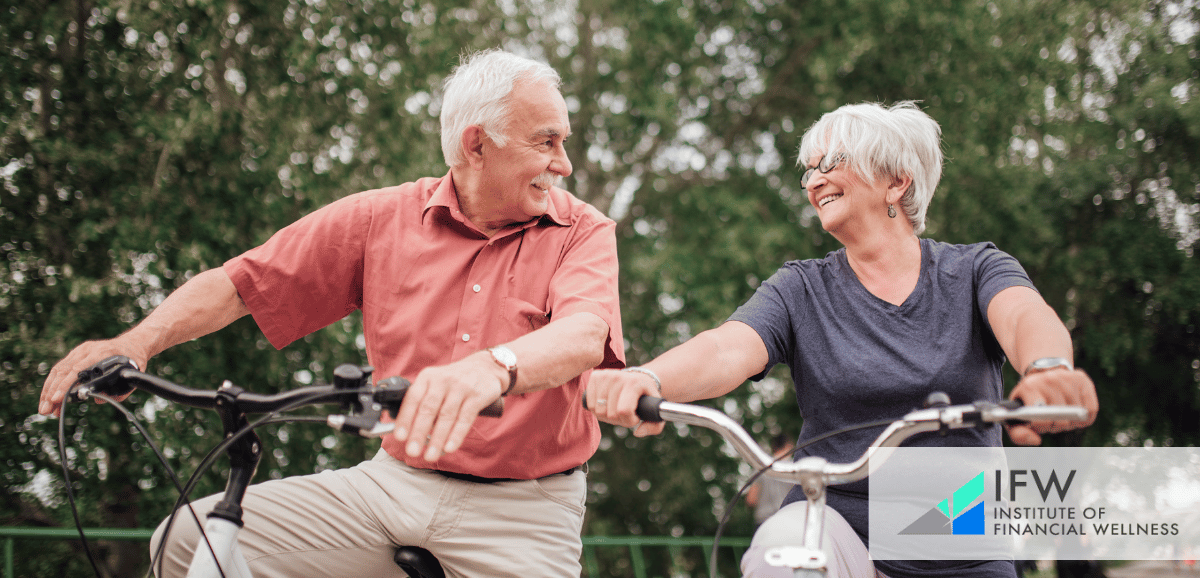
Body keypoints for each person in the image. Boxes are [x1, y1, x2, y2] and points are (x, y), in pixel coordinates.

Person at [38, 49, 626, 578]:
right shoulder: (380, 218)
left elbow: (582, 336)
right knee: (188, 541)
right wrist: (138, 342)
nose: (564, 164)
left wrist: (492, 367)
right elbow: (243, 284)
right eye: (545, 142)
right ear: (476, 145)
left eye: (562, 142)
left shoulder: (583, 231)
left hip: (523, 511)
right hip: (391, 486)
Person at [586, 101, 1099, 578]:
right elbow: (726, 348)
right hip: (840, 527)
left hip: (961, 534)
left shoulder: (974, 270)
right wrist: (649, 378)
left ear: (897, 181)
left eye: (831, 161)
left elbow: (1023, 316)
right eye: (809, 169)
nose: (814, 180)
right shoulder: (801, 288)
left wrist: (1048, 367)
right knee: (784, 550)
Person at [745, 433, 793, 526]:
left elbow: (751, 500)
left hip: (763, 522)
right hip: (787, 520)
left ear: (773, 447)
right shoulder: (795, 468)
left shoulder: (760, 467)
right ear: (788, 446)